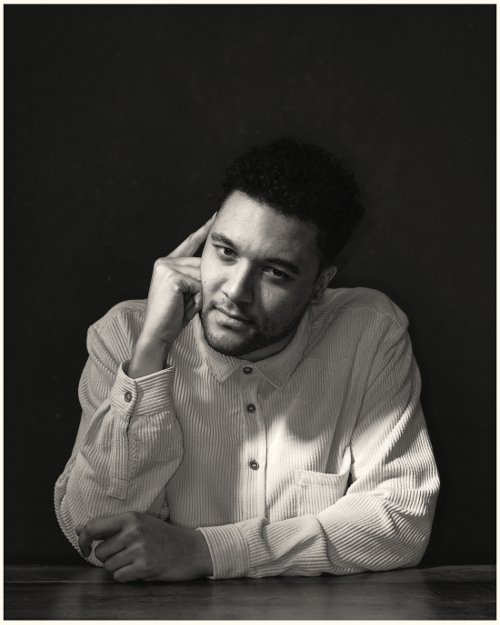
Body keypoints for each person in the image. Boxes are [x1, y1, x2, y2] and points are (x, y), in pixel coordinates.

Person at [55, 138, 439, 583]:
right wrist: (150, 354)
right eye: (225, 251)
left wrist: (209, 551)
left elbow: (401, 520)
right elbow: (96, 535)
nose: (235, 292)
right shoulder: (123, 334)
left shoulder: (369, 334)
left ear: (320, 286)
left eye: (275, 271)